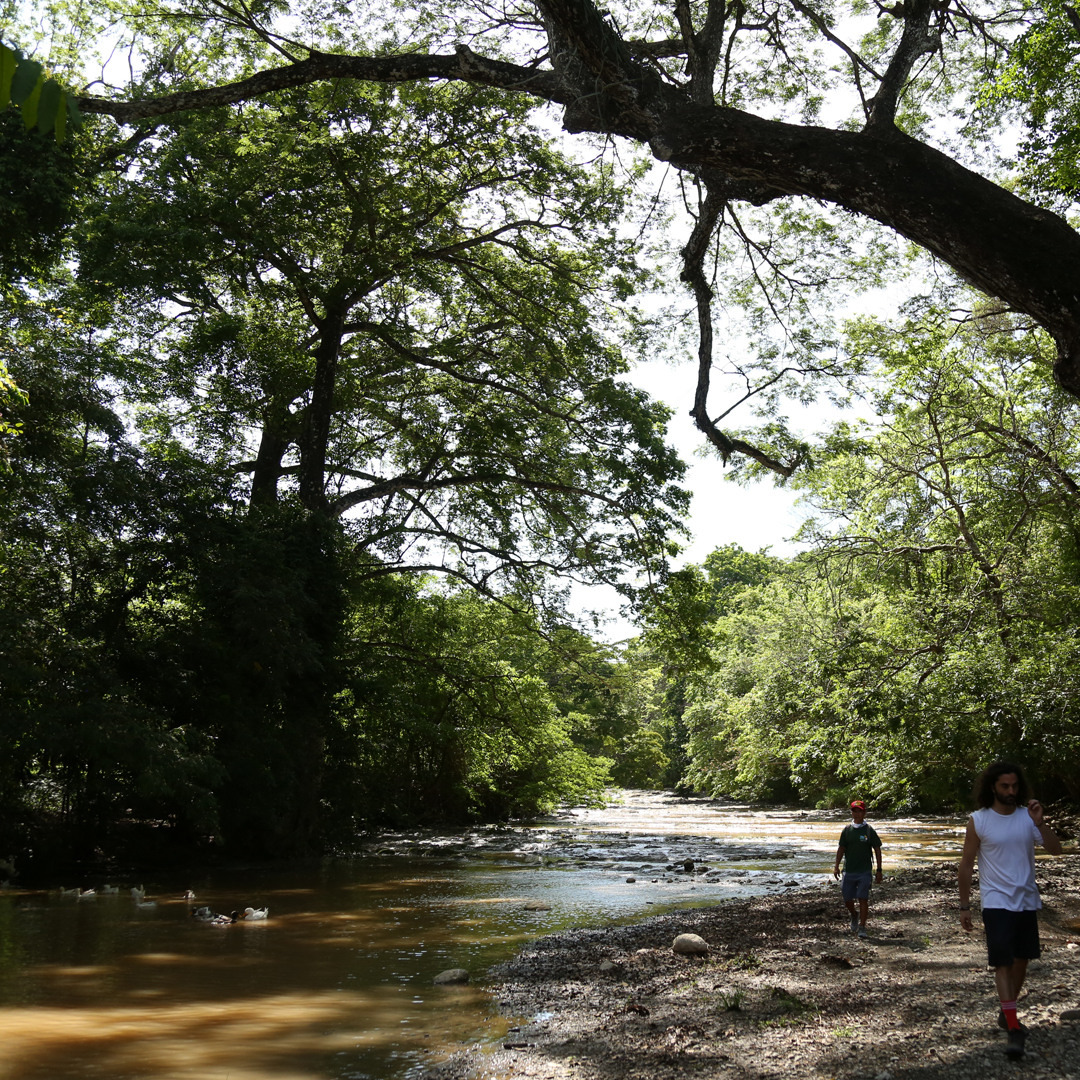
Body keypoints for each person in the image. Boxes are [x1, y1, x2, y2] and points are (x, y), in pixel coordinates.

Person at [958, 761, 1062, 1060]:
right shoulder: (979, 820)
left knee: (1021, 960)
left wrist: (1040, 822)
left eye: (1015, 786)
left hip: (1026, 900)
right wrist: (965, 906)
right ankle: (1014, 1027)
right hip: (995, 901)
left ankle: (1007, 1011)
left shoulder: (1028, 818)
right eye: (1005, 786)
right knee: (1002, 962)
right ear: (993, 787)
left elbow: (1056, 851)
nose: (1011, 791)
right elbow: (966, 863)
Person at [833, 799, 883, 939]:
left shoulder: (868, 830)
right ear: (851, 813)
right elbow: (841, 849)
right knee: (847, 898)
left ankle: (862, 927)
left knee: (863, 898)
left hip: (865, 871)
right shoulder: (847, 830)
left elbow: (877, 850)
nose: (857, 813)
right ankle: (854, 915)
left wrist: (879, 870)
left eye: (859, 811)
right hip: (849, 870)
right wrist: (836, 867)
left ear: (864, 812)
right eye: (854, 811)